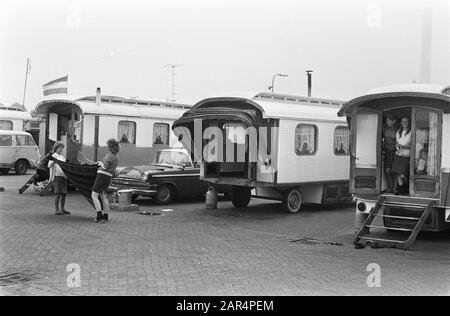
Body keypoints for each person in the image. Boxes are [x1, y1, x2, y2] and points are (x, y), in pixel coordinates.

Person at [91, 139, 120, 223]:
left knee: (94, 195)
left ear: (110, 147)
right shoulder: (116, 156)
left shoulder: (109, 155)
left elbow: (105, 167)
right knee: (104, 197)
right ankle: (105, 216)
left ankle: (99, 215)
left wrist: (100, 164)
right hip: (108, 177)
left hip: (102, 176)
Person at [48, 142, 70, 215]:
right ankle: (57, 210)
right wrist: (54, 162)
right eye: (60, 148)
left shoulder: (62, 157)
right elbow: (49, 166)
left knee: (64, 193)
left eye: (62, 148)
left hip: (63, 176)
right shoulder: (53, 156)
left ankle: (63, 209)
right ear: (56, 148)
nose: (61, 149)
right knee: (58, 193)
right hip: (57, 176)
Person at [391, 117, 411, 195]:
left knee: (403, 174)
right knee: (397, 173)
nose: (404, 123)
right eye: (403, 121)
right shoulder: (398, 131)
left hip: (406, 155)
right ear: (401, 123)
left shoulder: (411, 132)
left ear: (409, 123)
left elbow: (412, 145)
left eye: (406, 121)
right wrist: (397, 146)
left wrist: (402, 146)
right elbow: (397, 142)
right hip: (398, 154)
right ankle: (401, 188)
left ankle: (407, 187)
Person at [382, 114, 397, 193]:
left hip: (395, 152)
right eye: (387, 120)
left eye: (389, 120)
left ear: (393, 121)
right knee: (387, 171)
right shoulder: (385, 129)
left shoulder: (397, 130)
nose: (387, 122)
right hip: (388, 152)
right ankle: (390, 187)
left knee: (394, 171)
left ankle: (394, 188)